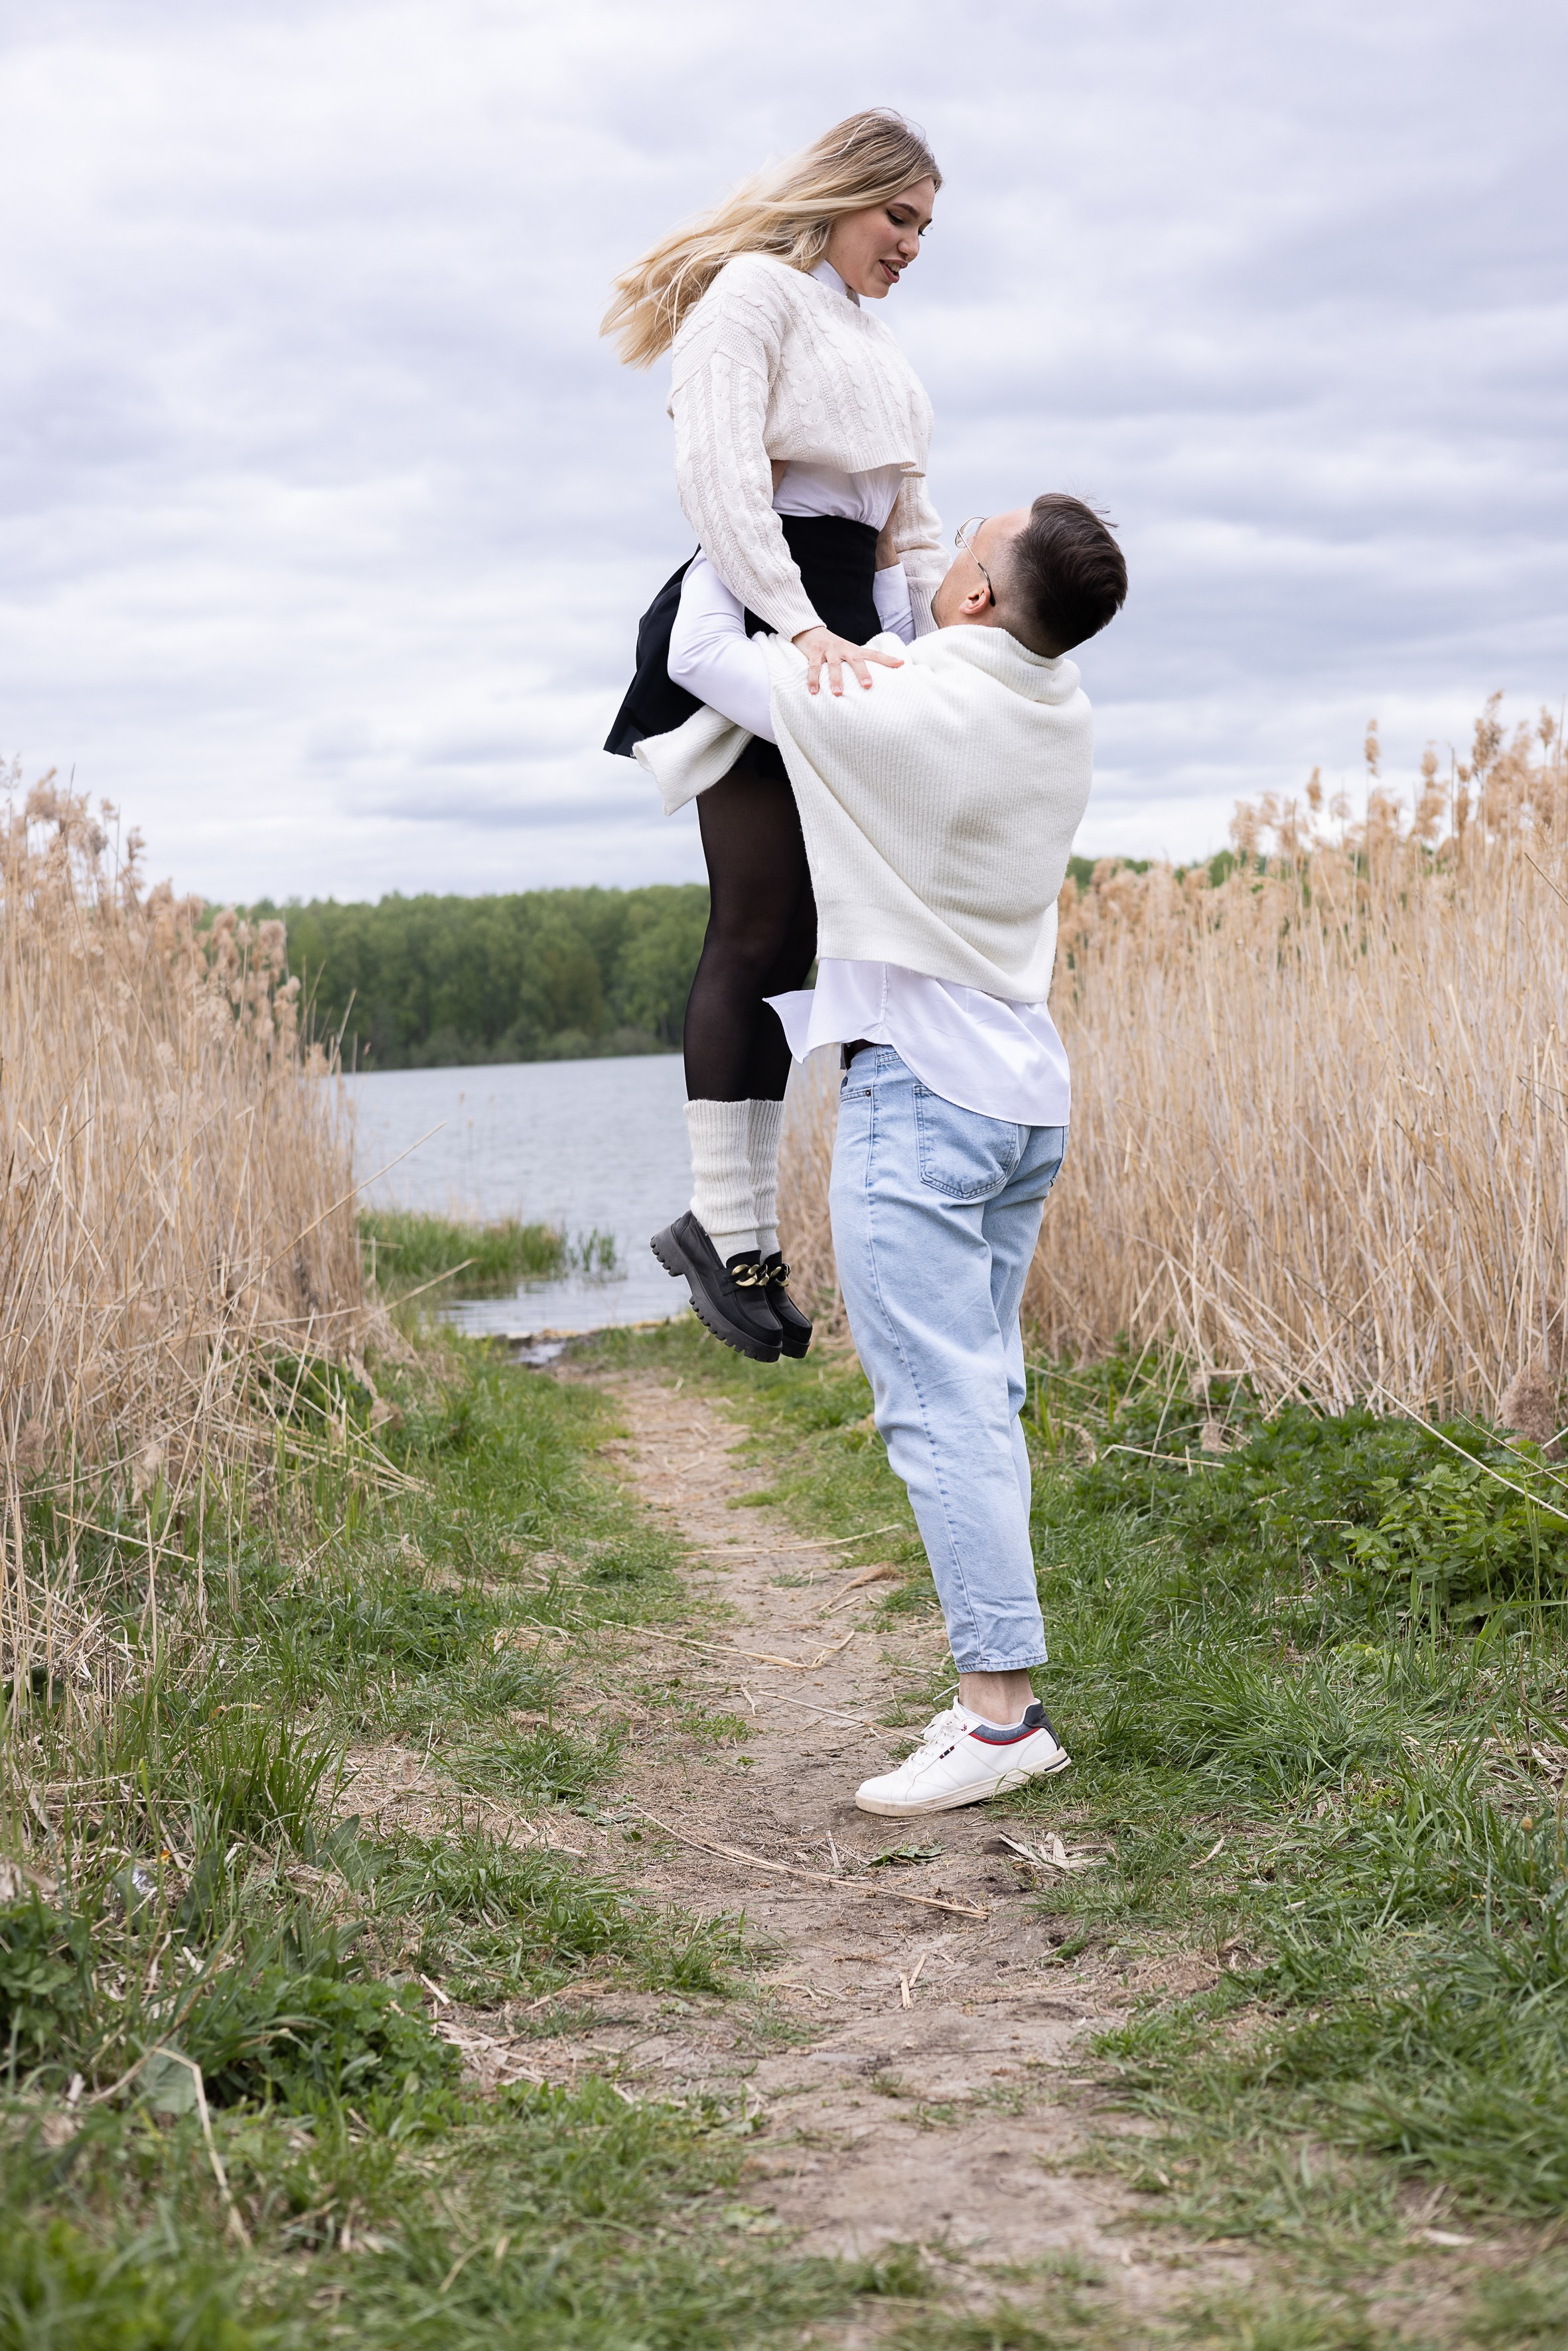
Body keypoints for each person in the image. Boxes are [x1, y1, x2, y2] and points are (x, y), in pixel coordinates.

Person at [639, 495, 1128, 1817]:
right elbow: (945, 618)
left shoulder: (897, 705)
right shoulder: (1060, 706)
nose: (938, 553)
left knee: (938, 1408)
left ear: (973, 598)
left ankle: (999, 1716)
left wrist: (739, 520)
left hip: (923, 1103)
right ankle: (1003, 1700)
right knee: (983, 1395)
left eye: (959, 548)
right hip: (1024, 1098)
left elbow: (700, 650)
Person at [601, 109, 946, 1365]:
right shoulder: (752, 294)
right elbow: (721, 480)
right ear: (844, 194)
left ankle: (773, 1228)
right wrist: (797, 627)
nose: (911, 245)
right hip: (764, 614)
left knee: (823, 934)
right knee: (757, 925)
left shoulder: (886, 352)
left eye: (926, 229)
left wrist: (941, 660)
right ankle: (733, 1233)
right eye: (897, 216)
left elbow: (911, 530)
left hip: (850, 632)